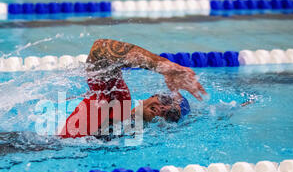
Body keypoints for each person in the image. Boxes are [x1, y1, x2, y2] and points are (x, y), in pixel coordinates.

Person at [60, 39, 207, 138]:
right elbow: (100, 50)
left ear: (168, 127)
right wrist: (165, 67)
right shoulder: (118, 99)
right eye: (165, 99)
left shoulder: (131, 136)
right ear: (152, 96)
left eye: (172, 114)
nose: (164, 108)